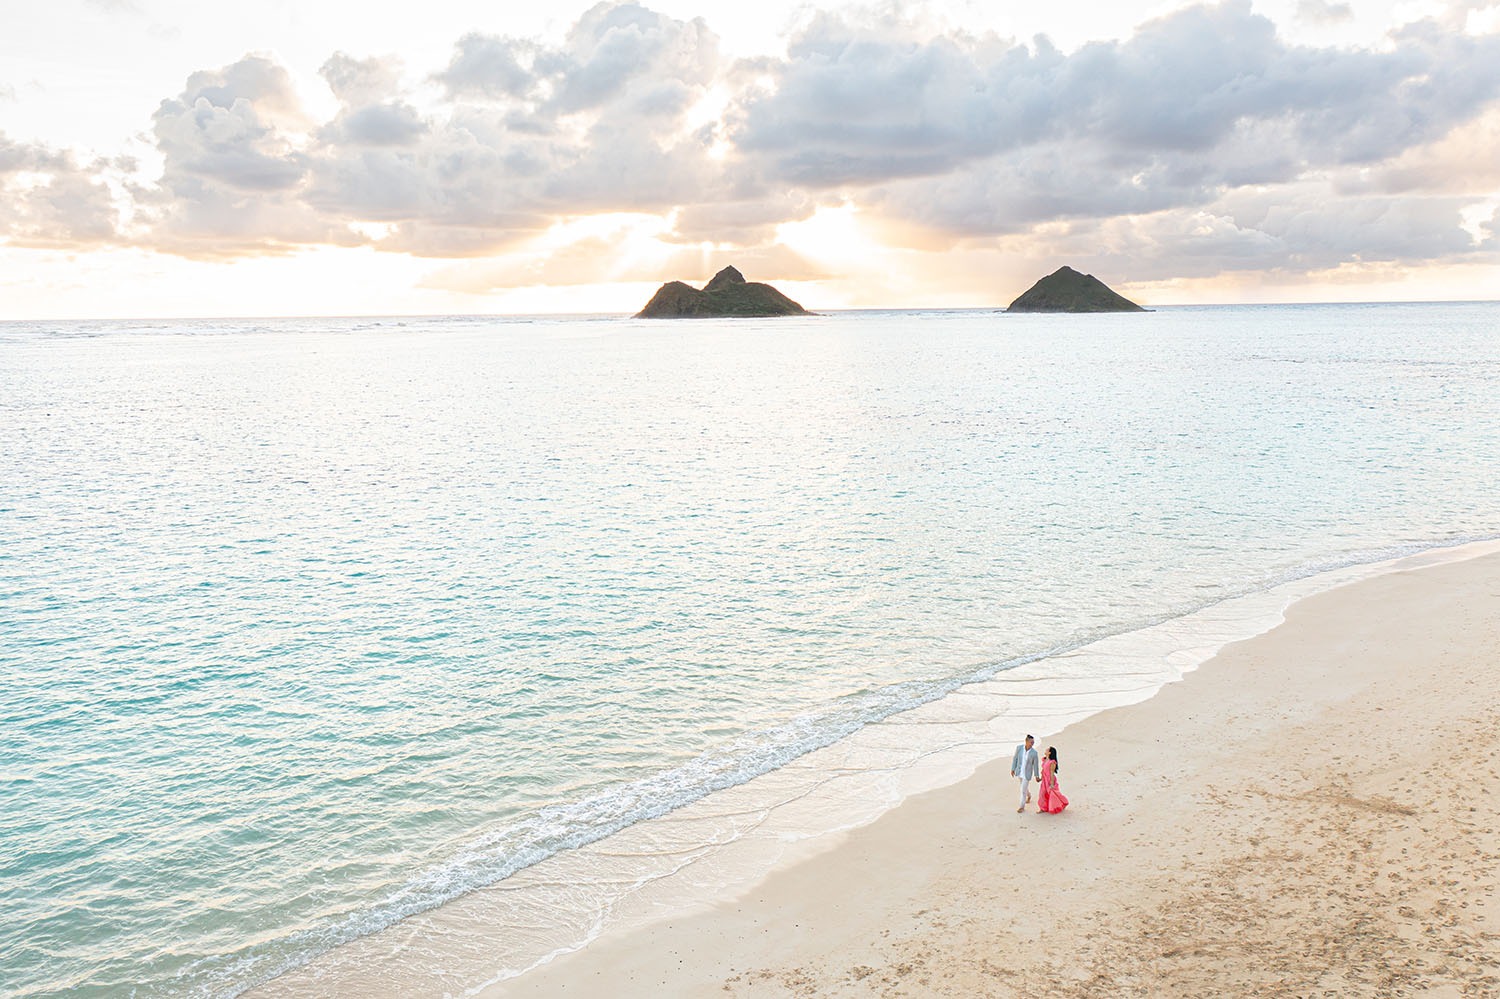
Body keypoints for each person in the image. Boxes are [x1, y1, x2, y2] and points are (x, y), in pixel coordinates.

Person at [1010, 735, 1040, 813]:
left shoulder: (1034, 753)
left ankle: (1021, 806)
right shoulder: (1019, 748)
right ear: (1026, 741)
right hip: (1019, 772)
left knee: (1022, 790)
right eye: (1031, 742)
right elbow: (1015, 759)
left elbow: (1035, 765)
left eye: (1033, 742)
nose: (1032, 744)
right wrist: (1013, 769)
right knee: (1024, 787)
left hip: (1027, 774)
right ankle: (1029, 796)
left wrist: (1037, 775)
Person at [1038, 746, 1068, 814]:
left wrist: (1051, 784)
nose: (1045, 750)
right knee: (1042, 794)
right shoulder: (1045, 760)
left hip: (1050, 780)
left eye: (1047, 749)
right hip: (1044, 780)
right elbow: (1043, 770)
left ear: (1049, 752)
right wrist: (1040, 778)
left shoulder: (1052, 762)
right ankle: (1043, 808)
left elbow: (1051, 773)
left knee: (1053, 794)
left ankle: (1063, 802)